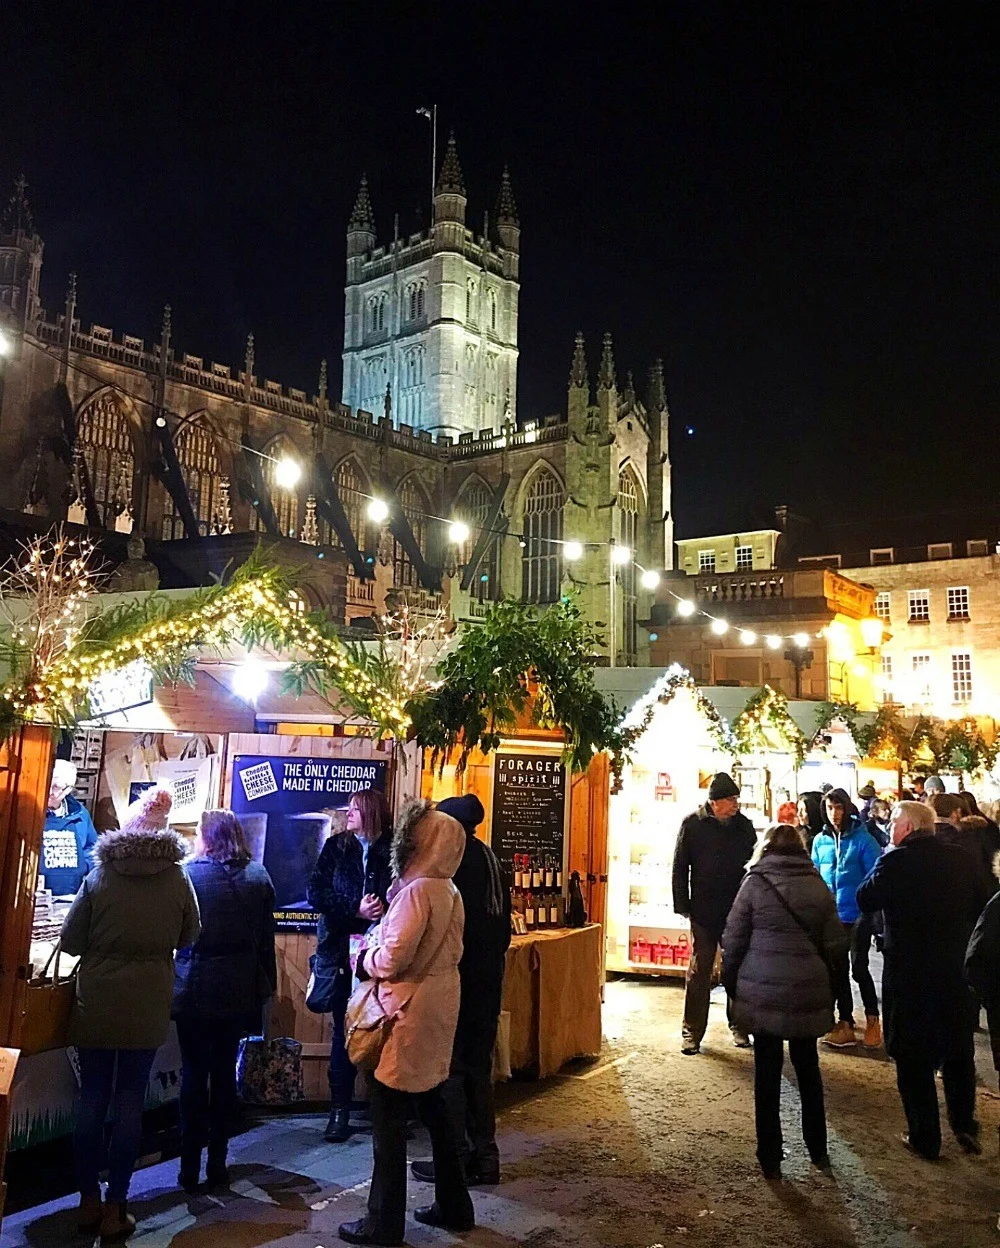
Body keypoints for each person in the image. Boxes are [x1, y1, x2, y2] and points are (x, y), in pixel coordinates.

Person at [61, 787, 200, 1240]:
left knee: (91, 1098)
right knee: (129, 1102)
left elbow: (71, 940)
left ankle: (87, 1201)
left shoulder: (100, 874)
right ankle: (116, 1208)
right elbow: (191, 933)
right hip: (148, 1001)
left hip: (97, 1000)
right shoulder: (178, 879)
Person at [338, 798, 474, 1247]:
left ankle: (383, 1222)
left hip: (406, 1011)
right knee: (435, 1106)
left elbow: (393, 958)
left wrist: (364, 958)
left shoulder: (417, 893)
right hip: (441, 1004)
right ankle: (455, 1205)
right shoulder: (449, 890)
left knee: (388, 1118)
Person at [857, 800, 983, 1160]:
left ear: (908, 828)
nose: (889, 830)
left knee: (913, 1057)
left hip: (910, 974)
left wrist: (885, 858)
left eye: (893, 824)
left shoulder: (895, 862)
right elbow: (983, 903)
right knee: (957, 1050)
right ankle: (964, 1123)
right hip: (954, 972)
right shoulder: (962, 859)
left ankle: (925, 1136)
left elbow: (865, 899)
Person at [722, 824, 845, 1180]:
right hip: (807, 987)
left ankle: (770, 1155)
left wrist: (732, 984)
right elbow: (836, 945)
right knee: (808, 1068)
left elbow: (734, 938)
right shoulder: (817, 884)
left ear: (766, 847)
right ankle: (817, 1147)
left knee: (766, 1072)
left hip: (763, 988)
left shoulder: (754, 883)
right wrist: (833, 989)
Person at [173, 810, 277, 1191]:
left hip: (195, 987)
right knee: (223, 1078)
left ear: (208, 837)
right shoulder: (259, 877)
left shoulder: (189, 875)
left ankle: (188, 1168)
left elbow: (177, 935)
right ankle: (218, 1164)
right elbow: (266, 942)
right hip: (237, 990)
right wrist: (266, 990)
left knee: (193, 1075)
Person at [411, 794, 510, 1187]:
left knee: (451, 1070)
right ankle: (486, 1159)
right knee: (478, 1071)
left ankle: (455, 1160)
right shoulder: (491, 859)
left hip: (460, 981)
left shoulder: (453, 864)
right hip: (489, 980)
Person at [307, 788, 393, 1143]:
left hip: (384, 956)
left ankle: (385, 1110)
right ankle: (338, 1111)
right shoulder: (336, 847)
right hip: (342, 955)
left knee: (385, 1031)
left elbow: (405, 892)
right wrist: (355, 908)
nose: (349, 814)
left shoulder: (393, 849)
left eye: (356, 809)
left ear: (372, 812)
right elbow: (316, 893)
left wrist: (384, 907)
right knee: (343, 1032)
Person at [672, 772, 757, 1055]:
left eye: (736, 799)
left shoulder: (743, 826)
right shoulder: (693, 824)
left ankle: (739, 1025)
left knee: (738, 968)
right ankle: (692, 1032)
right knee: (700, 970)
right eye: (730, 799)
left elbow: (754, 866)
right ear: (715, 801)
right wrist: (683, 905)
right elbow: (680, 866)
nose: (735, 805)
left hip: (737, 909)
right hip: (704, 909)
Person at [810, 787, 883, 1048]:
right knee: (837, 970)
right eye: (829, 808)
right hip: (832, 916)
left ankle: (873, 1019)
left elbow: (876, 876)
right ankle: (846, 1021)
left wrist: (869, 910)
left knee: (859, 967)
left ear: (847, 808)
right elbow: (815, 872)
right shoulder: (820, 841)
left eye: (838, 807)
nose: (834, 813)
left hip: (859, 914)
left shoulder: (863, 840)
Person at [42, 758, 99, 897]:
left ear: (69, 789)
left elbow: (92, 848)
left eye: (57, 787)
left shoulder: (80, 814)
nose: (50, 791)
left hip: (71, 896)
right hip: (34, 894)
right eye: (48, 783)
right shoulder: (31, 813)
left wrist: (83, 867)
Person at [927, 793, 994, 912]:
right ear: (955, 813)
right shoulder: (970, 839)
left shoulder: (919, 843)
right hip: (965, 908)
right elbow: (982, 876)